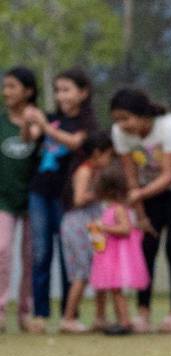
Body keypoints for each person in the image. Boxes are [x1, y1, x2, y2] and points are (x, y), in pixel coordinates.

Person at [110, 88, 171, 333]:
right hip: (149, 190)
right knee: (146, 246)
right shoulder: (120, 133)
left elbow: (170, 175)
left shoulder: (170, 127)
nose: (121, 125)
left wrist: (139, 194)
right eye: (117, 119)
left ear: (142, 115)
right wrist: (140, 215)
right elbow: (131, 177)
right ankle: (143, 313)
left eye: (126, 118)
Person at [23, 67, 97, 333]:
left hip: (67, 198)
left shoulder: (87, 124)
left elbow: (76, 143)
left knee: (70, 256)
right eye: (57, 90)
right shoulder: (51, 119)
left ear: (83, 92)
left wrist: (43, 126)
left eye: (66, 89)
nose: (61, 95)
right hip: (40, 192)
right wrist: (27, 121)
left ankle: (70, 313)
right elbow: (29, 138)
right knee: (41, 253)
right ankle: (40, 314)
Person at [59, 131, 115, 333]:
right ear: (97, 153)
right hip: (79, 223)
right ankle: (68, 318)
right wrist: (100, 193)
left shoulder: (98, 171)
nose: (110, 159)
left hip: (94, 221)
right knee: (81, 272)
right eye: (108, 154)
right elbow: (79, 199)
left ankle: (100, 317)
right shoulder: (84, 171)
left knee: (101, 266)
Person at [89, 163, 150, 335]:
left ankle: (125, 321)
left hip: (118, 257)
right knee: (113, 290)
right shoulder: (109, 209)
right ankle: (121, 320)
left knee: (117, 290)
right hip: (109, 254)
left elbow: (126, 229)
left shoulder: (119, 210)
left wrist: (104, 228)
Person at [0, 66, 39, 333]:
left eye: (13, 86)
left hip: (34, 200)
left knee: (31, 256)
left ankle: (26, 312)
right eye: (5, 86)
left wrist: (28, 122)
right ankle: (0, 310)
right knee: (1, 250)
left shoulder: (40, 120)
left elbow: (30, 136)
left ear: (29, 91)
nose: (6, 92)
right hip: (3, 199)